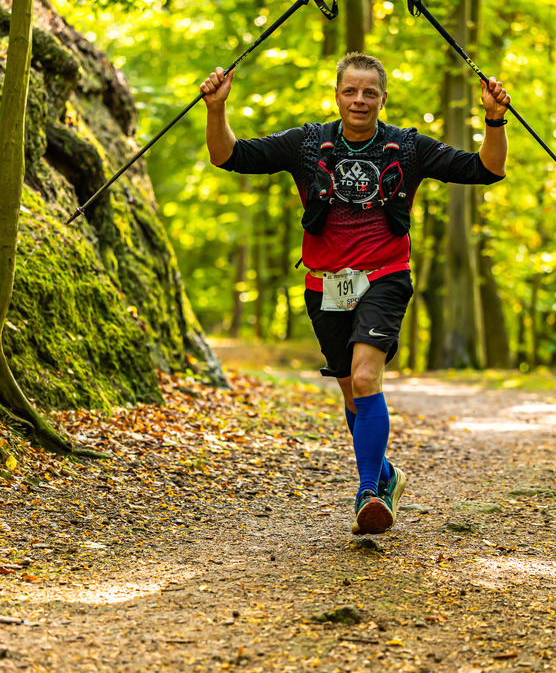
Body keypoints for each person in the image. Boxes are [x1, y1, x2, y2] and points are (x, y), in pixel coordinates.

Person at [201, 52, 509, 536]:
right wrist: (216, 109)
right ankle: (386, 475)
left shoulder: (407, 148)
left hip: (385, 276)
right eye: (351, 91)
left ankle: (369, 491)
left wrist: (494, 119)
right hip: (323, 285)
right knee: (351, 393)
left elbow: (486, 169)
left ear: (383, 99)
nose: (359, 100)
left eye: (370, 92)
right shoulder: (307, 143)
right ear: (337, 95)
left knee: (367, 378)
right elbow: (228, 157)